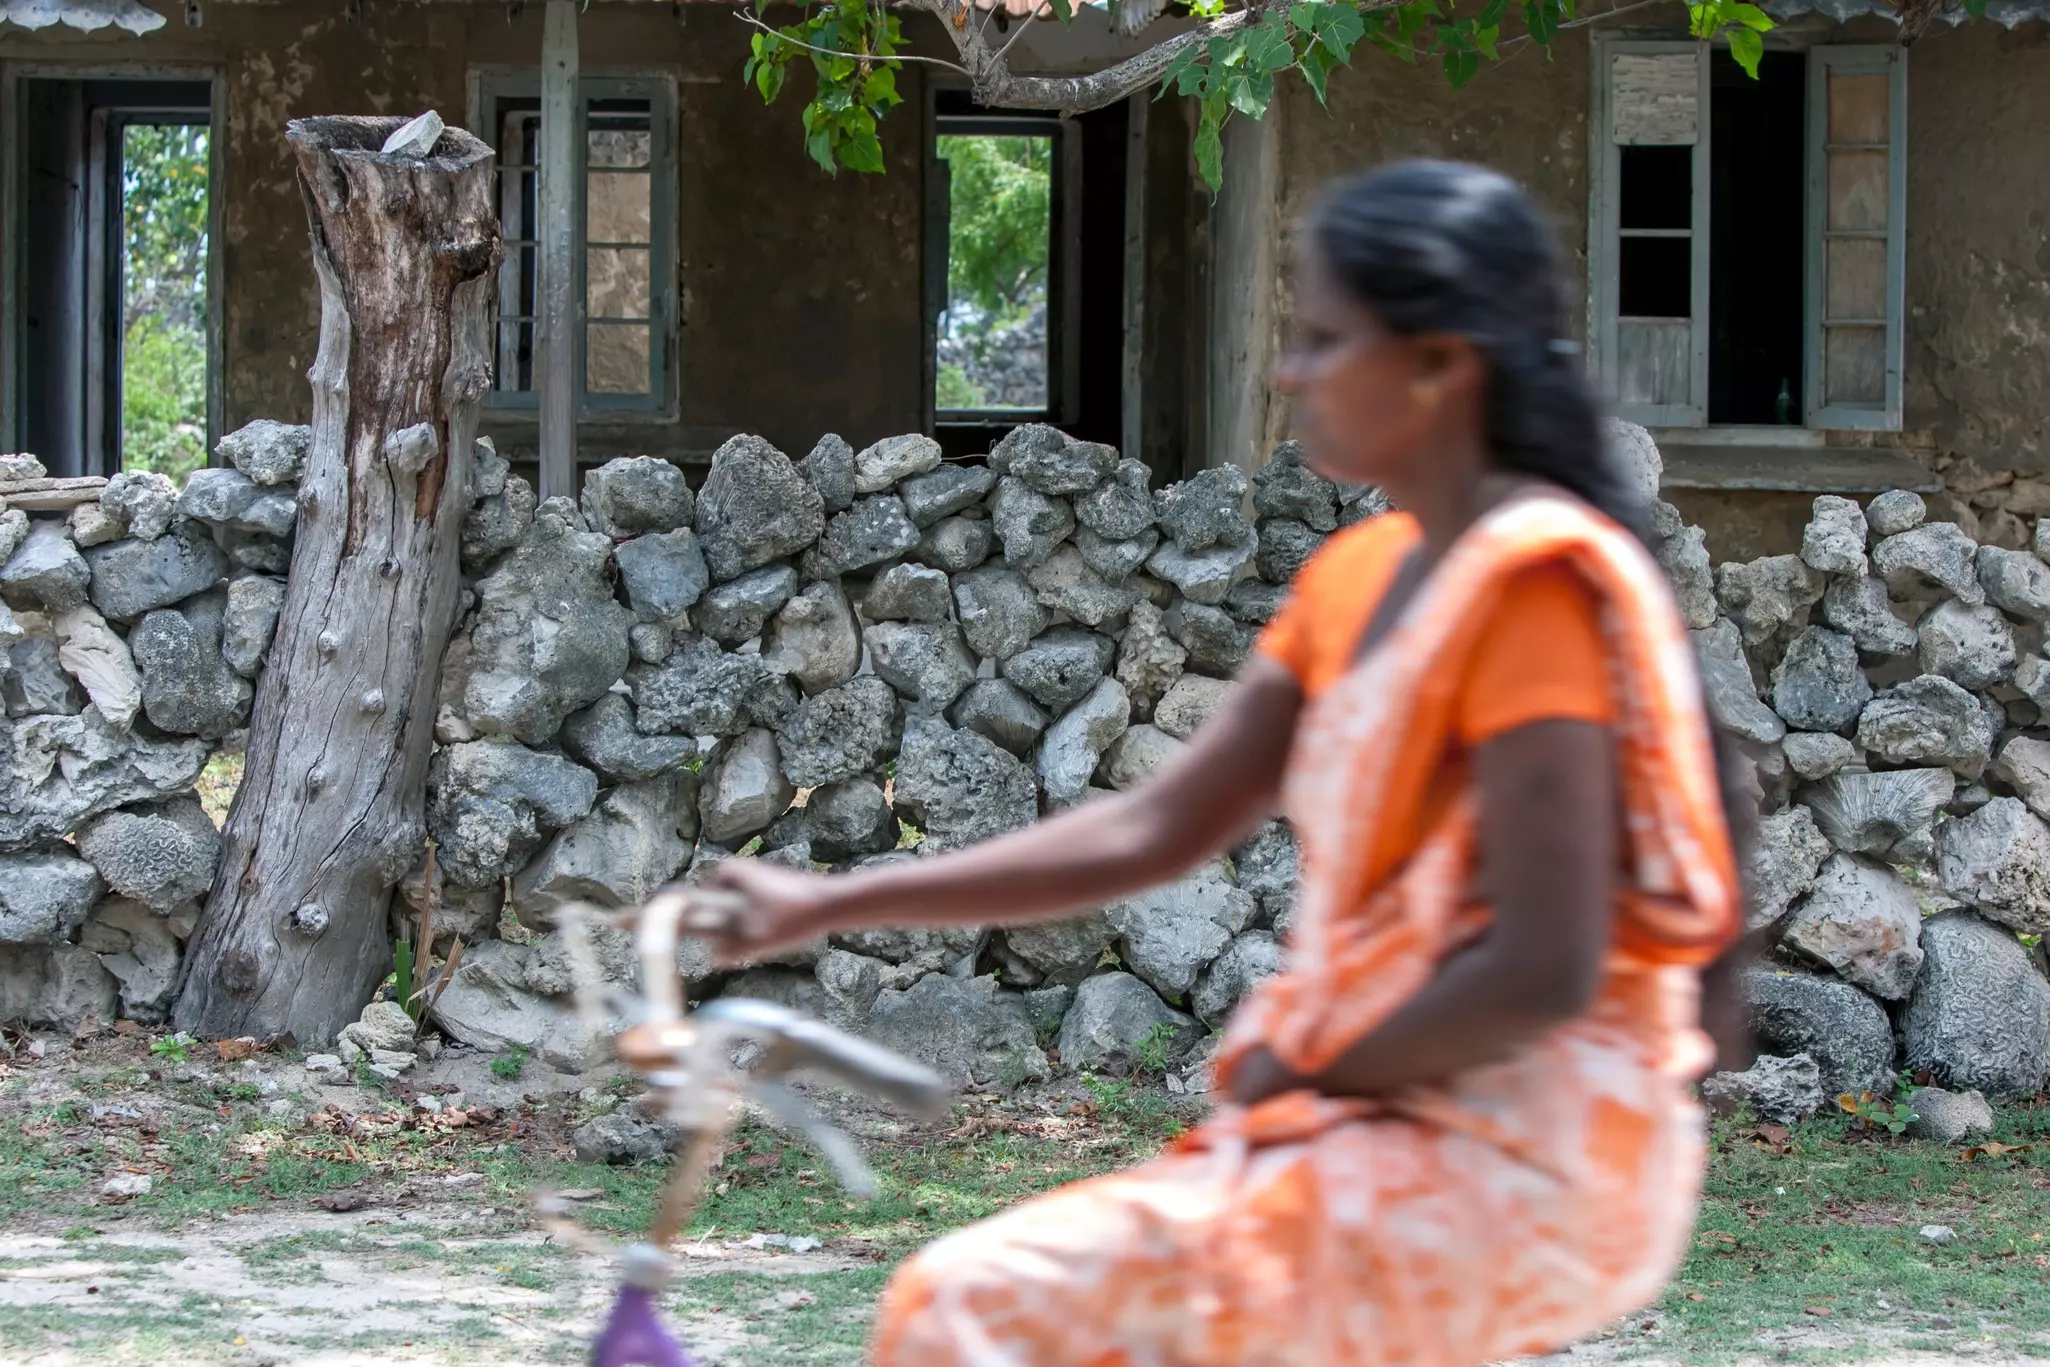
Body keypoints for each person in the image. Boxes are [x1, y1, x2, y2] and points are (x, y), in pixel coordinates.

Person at [702, 160, 1748, 1367]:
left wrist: (1307, 1057)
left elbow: (1546, 965)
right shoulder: (1354, 580)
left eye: (1321, 338)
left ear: (1436, 364)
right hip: (1384, 1120)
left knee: (968, 1308)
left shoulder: (1532, 589)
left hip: (1531, 1147)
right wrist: (826, 899)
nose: (1287, 369)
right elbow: (1152, 827)